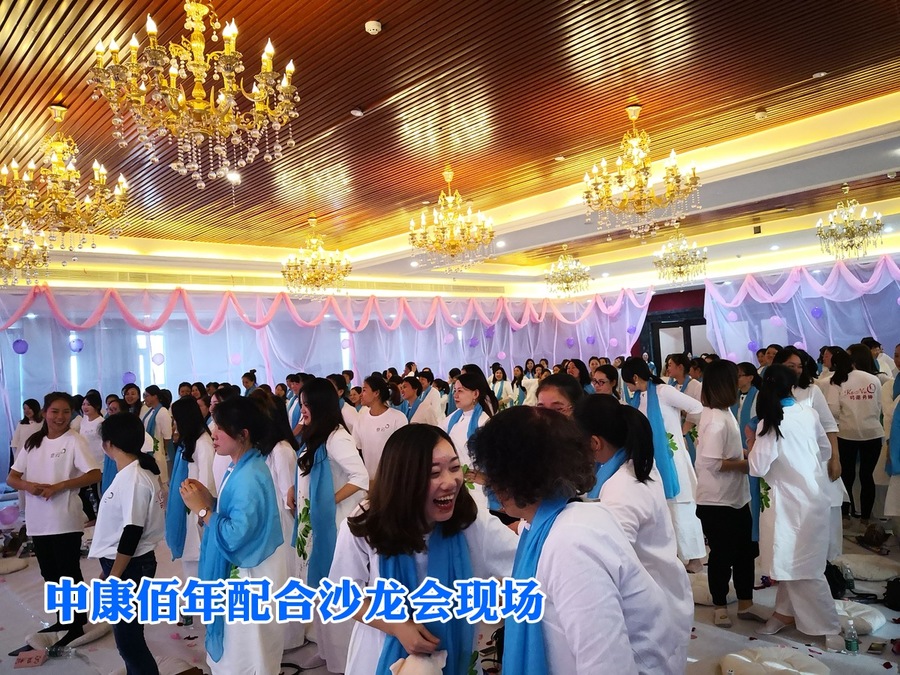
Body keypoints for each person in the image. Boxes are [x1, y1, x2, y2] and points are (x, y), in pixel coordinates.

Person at [470, 406, 685, 673]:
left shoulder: (572, 543)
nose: (488, 484)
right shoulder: (543, 524)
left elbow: (607, 665)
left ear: (512, 476)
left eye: (491, 473)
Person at [330, 424, 517, 675]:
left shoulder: (471, 522)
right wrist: (396, 626)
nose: (450, 482)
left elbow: (526, 567)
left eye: (454, 468)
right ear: (402, 479)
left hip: (455, 650)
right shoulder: (366, 524)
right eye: (434, 473)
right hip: (379, 652)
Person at [572, 395, 692, 656]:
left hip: (650, 610)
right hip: (660, 593)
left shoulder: (622, 488)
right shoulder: (630, 466)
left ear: (594, 443)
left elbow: (610, 561)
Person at [180, 396, 287, 675]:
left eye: (221, 428)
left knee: (246, 649)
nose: (213, 434)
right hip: (247, 569)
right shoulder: (239, 465)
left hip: (250, 573)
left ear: (243, 434)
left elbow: (235, 534)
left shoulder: (249, 474)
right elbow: (233, 514)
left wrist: (203, 510)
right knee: (241, 646)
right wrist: (209, 500)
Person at [748, 365, 842, 652]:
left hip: (786, 505)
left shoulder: (770, 424)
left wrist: (751, 442)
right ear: (792, 387)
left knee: (804, 568)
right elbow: (824, 450)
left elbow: (757, 467)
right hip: (813, 496)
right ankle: (783, 613)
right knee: (791, 561)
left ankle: (828, 625)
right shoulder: (808, 413)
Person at [6, 392, 101, 648]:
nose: (60, 417)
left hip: (64, 519)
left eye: (66, 412)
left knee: (68, 573)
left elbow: (94, 473)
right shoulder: (33, 442)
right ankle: (63, 619)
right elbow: (12, 477)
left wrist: (60, 486)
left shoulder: (74, 440)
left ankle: (76, 623)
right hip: (38, 521)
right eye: (55, 411)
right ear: (45, 413)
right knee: (49, 573)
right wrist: (29, 486)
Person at [288, 378, 369, 672]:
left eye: (306, 404)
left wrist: (327, 501)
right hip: (312, 525)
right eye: (301, 403)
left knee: (334, 594)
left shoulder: (337, 438)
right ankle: (325, 650)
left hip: (332, 527)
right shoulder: (316, 436)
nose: (302, 409)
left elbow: (361, 477)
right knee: (319, 592)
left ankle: (342, 659)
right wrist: (294, 488)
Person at [89, 412, 165, 674]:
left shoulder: (134, 478)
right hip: (124, 564)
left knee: (129, 642)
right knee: (128, 637)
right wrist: (108, 570)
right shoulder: (132, 472)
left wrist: (114, 576)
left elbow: (132, 532)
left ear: (108, 444)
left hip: (131, 567)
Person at [621, 357, 706, 571]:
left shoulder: (663, 391)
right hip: (651, 460)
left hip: (671, 458)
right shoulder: (637, 398)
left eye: (627, 381)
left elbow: (697, 407)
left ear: (635, 377)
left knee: (681, 506)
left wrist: (681, 431)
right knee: (663, 508)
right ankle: (673, 555)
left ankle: (694, 558)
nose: (627, 386)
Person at [694, 360, 762, 626]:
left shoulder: (724, 413)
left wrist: (746, 454)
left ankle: (746, 603)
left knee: (745, 552)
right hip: (716, 500)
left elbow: (728, 451)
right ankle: (720, 605)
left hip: (736, 497)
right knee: (722, 555)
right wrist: (746, 465)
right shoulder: (715, 420)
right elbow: (712, 463)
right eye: (735, 378)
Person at [774, 347, 844, 558]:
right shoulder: (769, 393)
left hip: (815, 461)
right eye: (790, 366)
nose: (796, 370)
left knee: (824, 514)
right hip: (784, 466)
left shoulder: (811, 390)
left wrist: (835, 458)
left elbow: (829, 425)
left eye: (799, 366)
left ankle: (830, 564)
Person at [824, 346, 883, 523]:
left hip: (846, 434)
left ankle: (845, 515)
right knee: (867, 476)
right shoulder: (873, 379)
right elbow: (878, 406)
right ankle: (865, 518)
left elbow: (833, 410)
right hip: (872, 433)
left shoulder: (838, 380)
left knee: (845, 476)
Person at [165, 396, 217, 587]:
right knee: (190, 562)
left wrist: (201, 513)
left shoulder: (203, 443)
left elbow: (207, 483)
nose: (174, 423)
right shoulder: (189, 441)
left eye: (176, 418)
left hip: (197, 512)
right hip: (188, 508)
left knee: (197, 561)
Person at [353, 376, 408, 480]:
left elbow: (404, 452)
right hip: (370, 479)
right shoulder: (360, 419)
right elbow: (358, 449)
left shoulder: (398, 418)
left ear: (376, 393)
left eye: (364, 390)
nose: (361, 395)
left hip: (393, 479)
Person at [11, 399, 43, 514]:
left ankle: (37, 508)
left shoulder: (42, 423)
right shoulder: (21, 423)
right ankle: (23, 508)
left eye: (29, 408)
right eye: (24, 408)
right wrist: (16, 459)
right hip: (21, 458)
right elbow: (15, 442)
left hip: (38, 458)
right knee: (22, 483)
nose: (27, 411)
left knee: (35, 482)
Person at [78, 391, 105, 523]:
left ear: (97, 406)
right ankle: (92, 517)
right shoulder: (83, 421)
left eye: (88, 404)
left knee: (98, 493)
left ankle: (101, 519)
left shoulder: (101, 422)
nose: (85, 407)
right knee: (81, 492)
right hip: (85, 463)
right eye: (83, 404)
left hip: (99, 464)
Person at [141, 385, 173, 482]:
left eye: (147, 396)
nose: (145, 399)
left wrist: (162, 450)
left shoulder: (163, 412)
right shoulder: (151, 411)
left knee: (160, 480)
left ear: (155, 396)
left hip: (158, 452)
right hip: (149, 451)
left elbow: (167, 437)